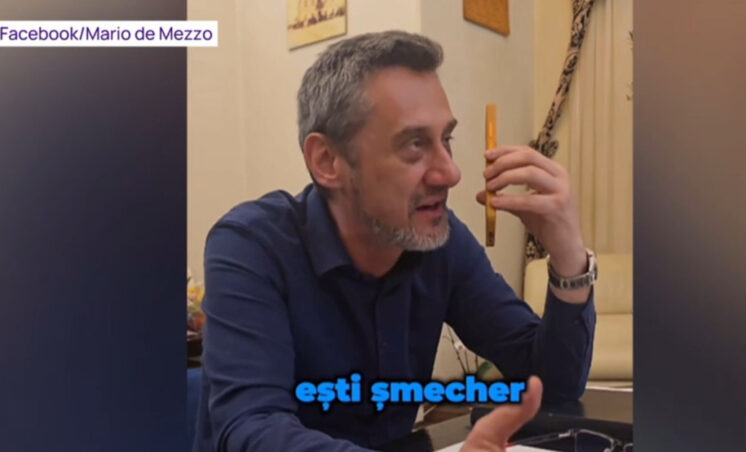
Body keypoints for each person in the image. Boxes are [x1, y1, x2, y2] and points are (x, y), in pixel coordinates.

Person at [194, 30, 597, 452]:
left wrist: (568, 256)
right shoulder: (251, 246)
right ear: (327, 161)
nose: (451, 173)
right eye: (414, 144)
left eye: (446, 139)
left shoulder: (442, 241)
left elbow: (552, 387)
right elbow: (252, 429)